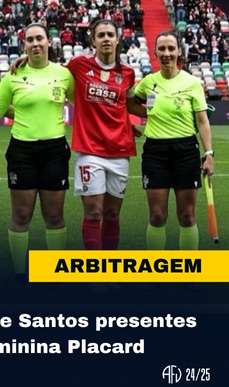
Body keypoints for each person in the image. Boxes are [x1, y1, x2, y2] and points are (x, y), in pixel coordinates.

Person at [11, 19, 140, 292]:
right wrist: (25, 56)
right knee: (93, 213)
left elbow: (127, 104)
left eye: (110, 35)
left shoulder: (127, 74)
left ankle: (110, 271)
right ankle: (94, 275)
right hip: (88, 150)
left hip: (119, 150)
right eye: (100, 35)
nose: (106, 39)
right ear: (92, 41)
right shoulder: (78, 66)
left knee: (112, 214)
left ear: (118, 40)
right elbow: (44, 65)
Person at [0, 24, 75, 290]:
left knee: (54, 217)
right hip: (22, 151)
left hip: (55, 151)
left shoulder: (64, 74)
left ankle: (54, 275)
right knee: (21, 215)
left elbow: (83, 106)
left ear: (49, 41)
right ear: (23, 45)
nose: (35, 43)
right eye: (29, 40)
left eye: (40, 39)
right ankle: (19, 274)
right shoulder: (12, 76)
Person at [132, 31, 214, 291]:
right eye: (162, 49)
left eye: (171, 48)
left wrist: (209, 154)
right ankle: (155, 273)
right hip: (155, 151)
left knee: (187, 215)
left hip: (185, 151)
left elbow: (202, 121)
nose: (166, 53)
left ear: (179, 52)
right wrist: (136, 120)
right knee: (157, 216)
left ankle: (188, 273)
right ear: (154, 53)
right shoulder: (147, 83)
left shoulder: (192, 83)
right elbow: (129, 103)